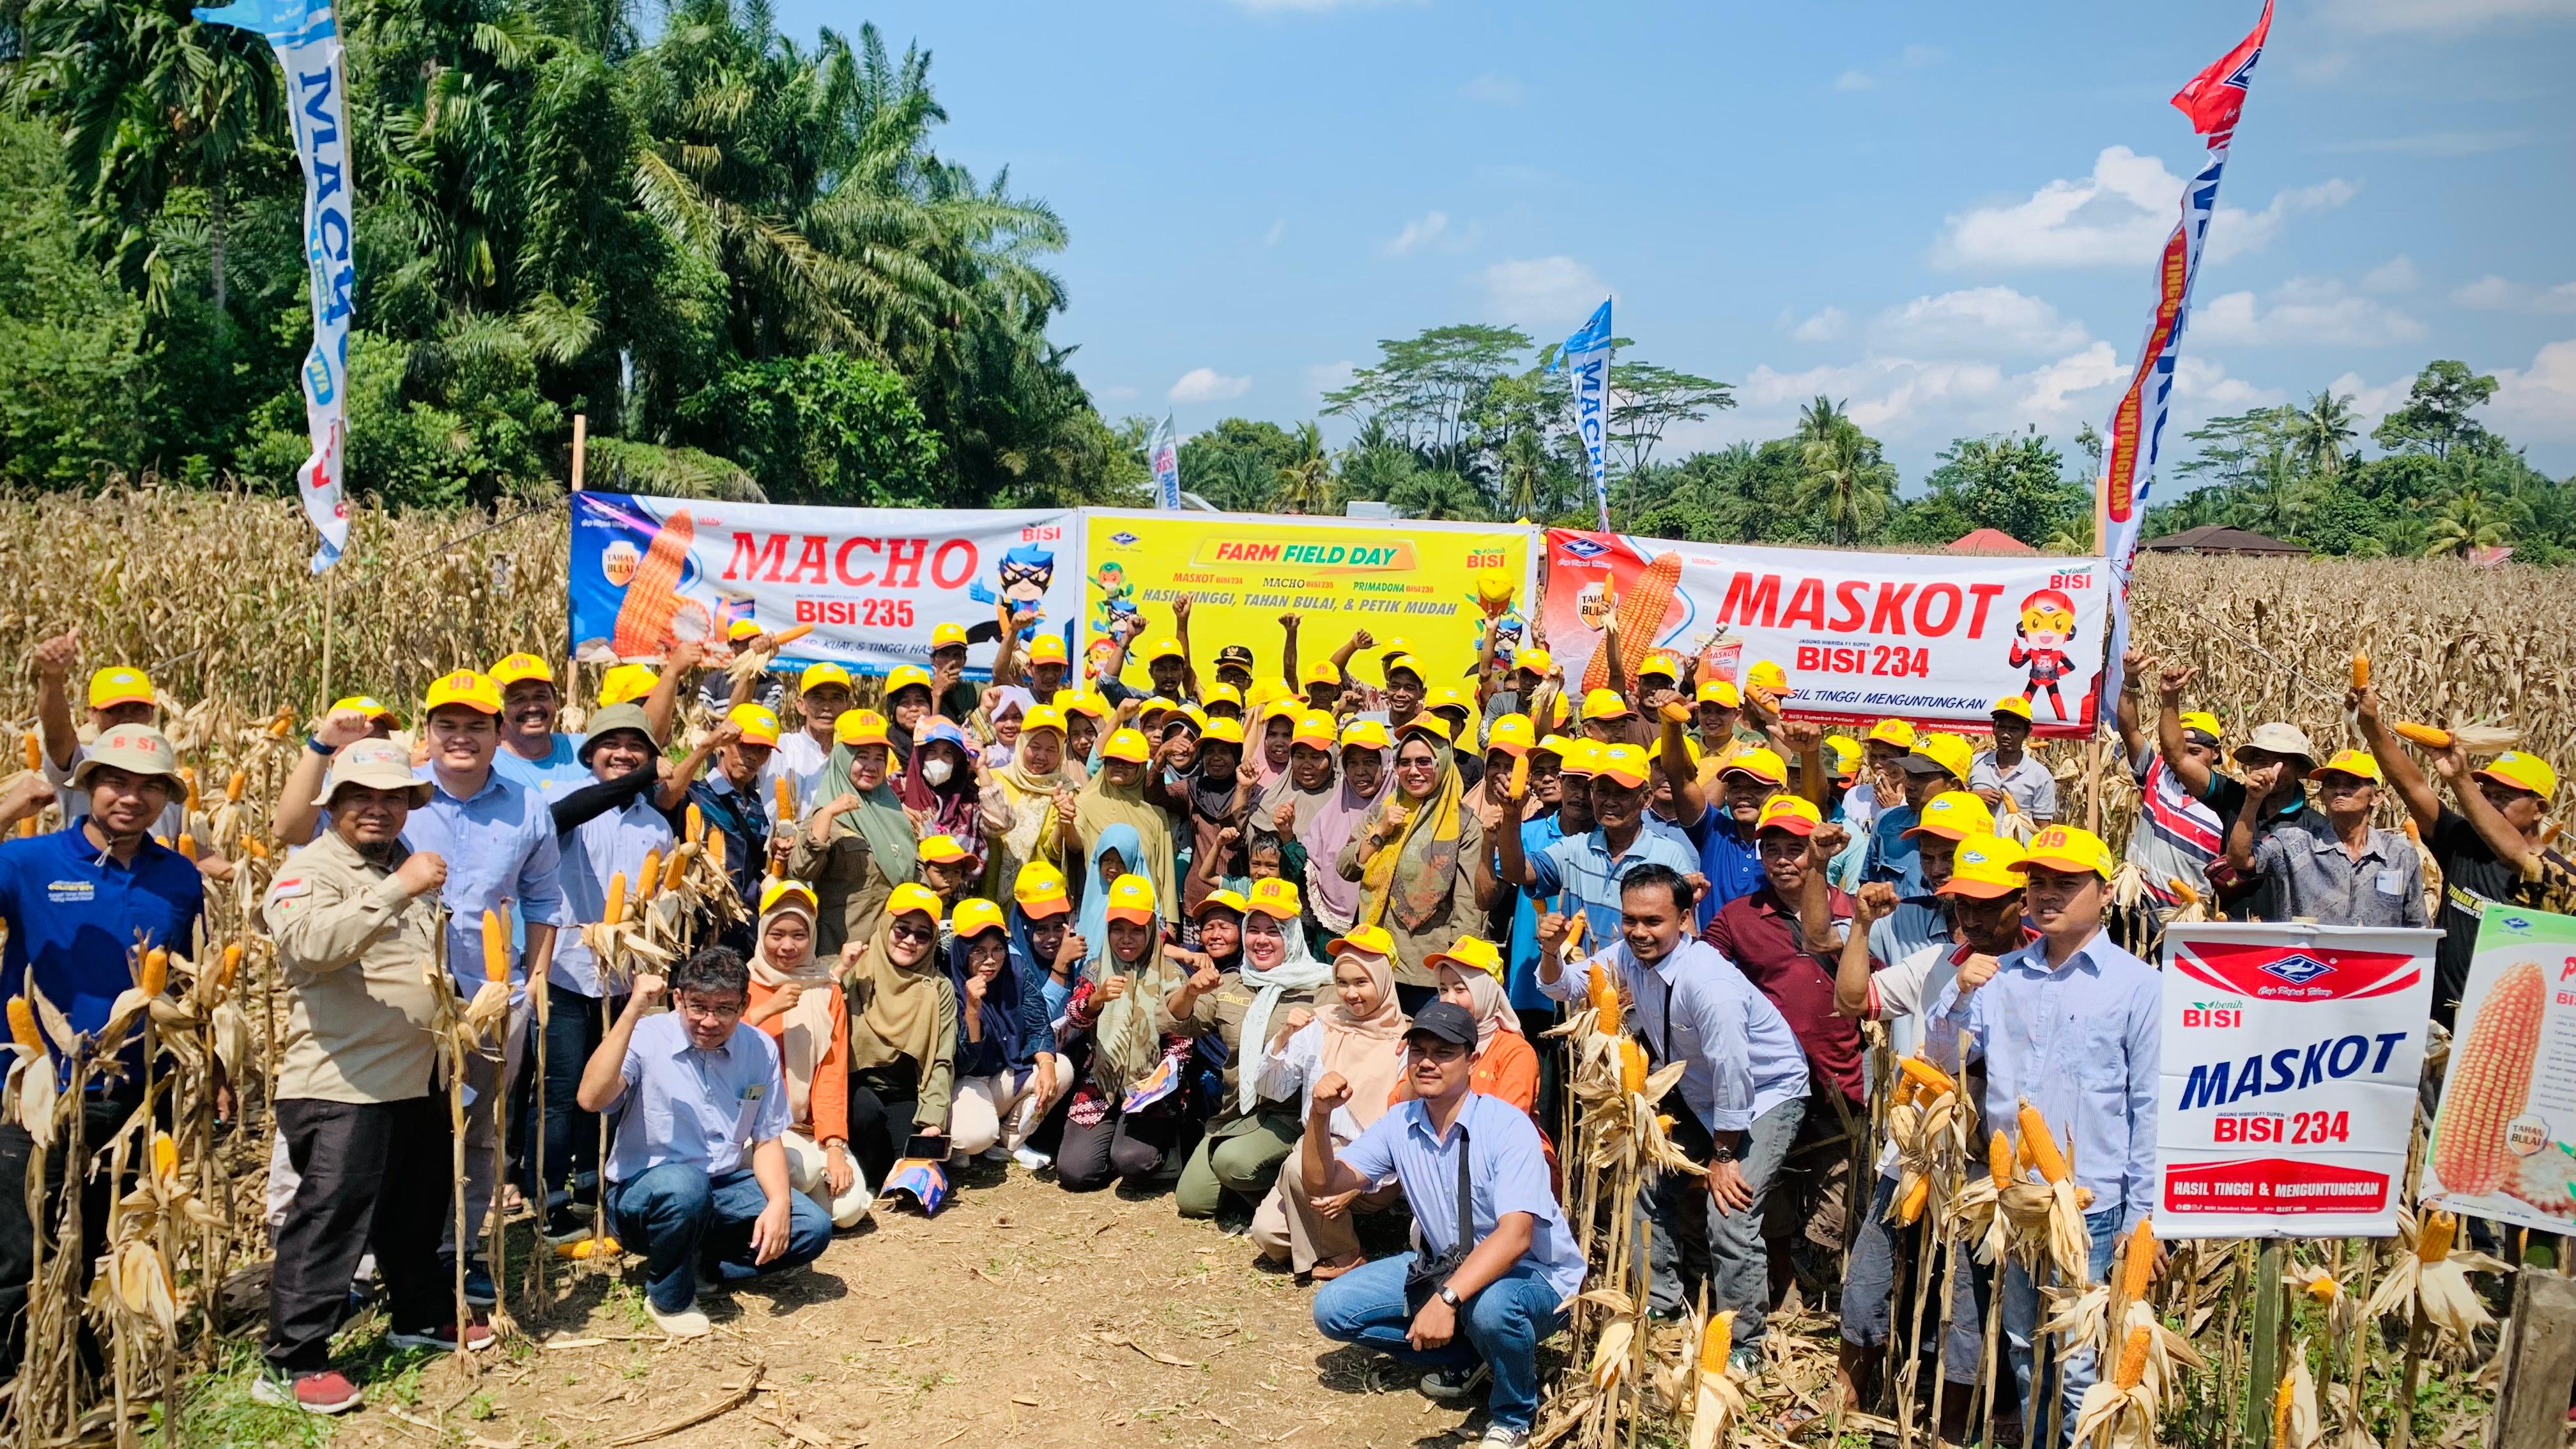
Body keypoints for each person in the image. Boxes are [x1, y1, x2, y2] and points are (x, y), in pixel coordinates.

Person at [259, 740, 479, 1413]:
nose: (378, 810)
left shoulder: (397, 864)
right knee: (330, 1220)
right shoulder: (311, 870)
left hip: (417, 1076)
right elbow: (309, 946)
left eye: (392, 797)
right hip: (341, 1082)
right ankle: (291, 1362)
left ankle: (417, 1314)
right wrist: (398, 888)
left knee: (413, 1213)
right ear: (335, 806)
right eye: (362, 797)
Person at [1926, 825, 2158, 1443]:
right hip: (2019, 1202)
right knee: (2025, 1350)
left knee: (2082, 1365)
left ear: (2105, 892)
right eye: (2037, 883)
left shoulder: (2139, 985)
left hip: (2094, 1206)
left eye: (2066, 883)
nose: (2047, 895)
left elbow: (2149, 1105)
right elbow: (1942, 1062)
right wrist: (1956, 994)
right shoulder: (2000, 978)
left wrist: (2144, 1218)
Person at [0, 723, 204, 1378]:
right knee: (17, 1252)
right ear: (88, 786)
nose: (131, 797)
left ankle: (82, 1373)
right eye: (117, 781)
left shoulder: (178, 877)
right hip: (33, 1089)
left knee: (98, 1241)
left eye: (150, 787)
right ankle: (15, 1384)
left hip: (138, 1097)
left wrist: (208, 1066)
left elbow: (188, 983)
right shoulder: (27, 863)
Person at [1303, 1000, 1586, 1449]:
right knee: (1334, 1309)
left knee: (1492, 1308)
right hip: (1448, 1264)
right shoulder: (1401, 1123)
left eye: (1444, 1052)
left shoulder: (1508, 1127)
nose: (1428, 1062)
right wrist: (1318, 1117)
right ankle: (1472, 1355)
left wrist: (1447, 1300)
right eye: (1419, 1051)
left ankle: (1514, 1415)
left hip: (1537, 1276)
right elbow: (1326, 1179)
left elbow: (1516, 1236)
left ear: (1471, 1061)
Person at [1830, 834, 2030, 1414]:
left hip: (1984, 1165)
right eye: (1963, 905)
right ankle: (1846, 1395)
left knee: (1967, 1288)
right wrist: (1862, 928)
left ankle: (1953, 1414)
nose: (1974, 918)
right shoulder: (1939, 963)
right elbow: (1852, 1000)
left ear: (2021, 900)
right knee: (1871, 1268)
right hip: (1917, 1150)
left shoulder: (2039, 970)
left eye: (1989, 905)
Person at [406, 670, 565, 1305]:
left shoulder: (527, 806)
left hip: (495, 1000)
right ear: (429, 733)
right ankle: (384, 1259)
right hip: (411, 1000)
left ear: (498, 735)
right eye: (448, 726)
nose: (462, 739)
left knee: (477, 1132)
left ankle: (459, 1250)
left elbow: (545, 896)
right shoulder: (400, 796)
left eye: (476, 726)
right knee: (404, 1129)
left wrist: (535, 979)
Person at [578, 946, 832, 1340]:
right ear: (677, 999)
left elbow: (766, 1140)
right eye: (698, 1007)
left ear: (744, 1004)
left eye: (726, 1009)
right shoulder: (647, 1035)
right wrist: (631, 1012)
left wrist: (780, 1204)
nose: (710, 1021)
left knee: (811, 1227)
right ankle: (669, 1297)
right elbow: (591, 1099)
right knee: (685, 1185)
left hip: (723, 1187)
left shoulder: (759, 1048)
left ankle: (700, 1261)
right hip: (644, 1194)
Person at [530, 703, 714, 1243]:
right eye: (611, 745)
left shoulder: (655, 826)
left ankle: (593, 1186)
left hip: (623, 977)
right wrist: (641, 776)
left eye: (636, 747)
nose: (624, 754)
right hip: (566, 970)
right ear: (590, 754)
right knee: (559, 1093)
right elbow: (569, 816)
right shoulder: (561, 802)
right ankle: (549, 1199)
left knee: (608, 1088)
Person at [1704, 795, 1861, 1312]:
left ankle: (1831, 1290)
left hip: (1841, 1076)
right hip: (1772, 1082)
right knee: (1770, 1191)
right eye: (1772, 849)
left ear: (1818, 853)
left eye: (1794, 849)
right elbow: (1703, 972)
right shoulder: (1738, 917)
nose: (1782, 860)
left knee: (1835, 1194)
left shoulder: (1852, 910)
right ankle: (1784, 1283)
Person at [2354, 684, 2571, 1024]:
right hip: (2438, 1024)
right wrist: (2371, 725)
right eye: (2488, 793)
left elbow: (2517, 856)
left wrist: (2461, 779)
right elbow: (2413, 788)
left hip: (2501, 1035)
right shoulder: (2464, 843)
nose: (2489, 802)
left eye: (2504, 797)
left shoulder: (2557, 879)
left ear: (2539, 808)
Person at [1252, 924, 1412, 1278]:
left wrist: (1354, 1190)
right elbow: (1272, 1088)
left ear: (1385, 980)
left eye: (1362, 982)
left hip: (1371, 1165)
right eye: (1343, 982)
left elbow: (1405, 1130)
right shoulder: (1320, 1024)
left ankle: (1345, 1253)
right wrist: (1282, 1037)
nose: (1351, 994)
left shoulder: (1406, 1042)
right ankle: (1331, 1230)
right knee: (1268, 1235)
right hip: (1315, 1148)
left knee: (1299, 1170)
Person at [1177, 878, 1333, 1220]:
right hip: (1237, 1114)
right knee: (1193, 1201)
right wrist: (1189, 992)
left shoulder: (1323, 987)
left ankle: (1290, 1200)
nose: (1261, 940)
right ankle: (1256, 1182)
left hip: (1290, 1117)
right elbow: (1178, 1021)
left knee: (1233, 1164)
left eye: (1274, 931)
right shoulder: (1234, 981)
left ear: (1292, 935)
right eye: (1255, 929)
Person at [1056, 873, 1219, 1191]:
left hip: (1151, 1093)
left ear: (1151, 930)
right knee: (1075, 1174)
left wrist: (1155, 1083)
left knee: (1133, 1162)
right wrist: (1096, 1000)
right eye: (1117, 929)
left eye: (1136, 930)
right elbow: (1073, 1020)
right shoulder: (1095, 969)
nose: (1126, 939)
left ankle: (1155, 1145)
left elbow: (1181, 1044)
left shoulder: (1172, 975)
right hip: (1100, 1085)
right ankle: (1109, 1142)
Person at [1338, 717, 1493, 1013]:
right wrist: (1380, 832)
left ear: (1444, 764)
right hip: (1377, 962)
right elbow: (1346, 866)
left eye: (1424, 762)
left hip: (1430, 973)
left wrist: (1457, 972)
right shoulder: (1384, 813)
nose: (1413, 771)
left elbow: (1467, 907)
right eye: (1404, 762)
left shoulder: (1464, 825)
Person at [2152, 663, 2328, 921]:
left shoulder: (2315, 827)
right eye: (2259, 759)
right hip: (2231, 933)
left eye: (2279, 760)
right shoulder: (2233, 797)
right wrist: (2170, 697)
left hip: (2286, 940)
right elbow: (2177, 758)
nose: (2267, 767)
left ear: (2299, 768)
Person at [740, 880, 869, 1230]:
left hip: (803, 1127)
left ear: (812, 936)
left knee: (849, 1209)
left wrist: (834, 1147)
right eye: (776, 934)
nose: (787, 946)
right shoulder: (740, 985)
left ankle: (788, 1203)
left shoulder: (824, 991)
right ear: (762, 932)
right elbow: (718, 1048)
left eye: (799, 935)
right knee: (803, 1171)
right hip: (749, 1128)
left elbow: (831, 1073)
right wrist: (764, 1011)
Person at [1496, 742, 1697, 965]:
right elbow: (1517, 872)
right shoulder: (1576, 849)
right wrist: (1511, 817)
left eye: (1622, 792)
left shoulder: (1669, 856)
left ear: (1647, 799)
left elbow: (1687, 940)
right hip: (1578, 992)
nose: (1610, 801)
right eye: (1602, 791)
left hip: (1644, 993)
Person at [841, 883, 960, 1196]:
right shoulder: (856, 970)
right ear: (885, 925)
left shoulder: (939, 988)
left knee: (914, 1165)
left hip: (904, 1093)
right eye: (902, 929)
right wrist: (838, 973)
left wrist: (933, 1120)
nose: (910, 941)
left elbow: (940, 1060)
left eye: (923, 935)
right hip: (855, 1087)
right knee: (865, 1112)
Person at [2224, 748, 2426, 928]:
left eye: (2352, 784)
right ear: (2322, 795)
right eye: (2332, 784)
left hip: (2378, 968)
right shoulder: (2294, 843)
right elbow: (2240, 860)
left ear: (2377, 797)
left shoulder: (2399, 853)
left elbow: (2416, 925)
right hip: (2309, 966)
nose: (2340, 790)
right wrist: (2253, 801)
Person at [2110, 652, 2227, 940]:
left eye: (2196, 751)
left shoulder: (2228, 801)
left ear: (2216, 753)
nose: (2185, 759)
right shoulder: (2158, 773)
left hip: (2186, 921)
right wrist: (2131, 680)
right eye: (2180, 748)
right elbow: (2130, 730)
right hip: (2134, 908)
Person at [946, 897, 1066, 1166]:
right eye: (978, 951)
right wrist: (973, 1011)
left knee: (1061, 1068)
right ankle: (971, 1138)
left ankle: (1006, 1139)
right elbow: (963, 1062)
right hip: (967, 1081)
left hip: (1006, 1072)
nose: (991, 960)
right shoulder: (948, 985)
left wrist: (1046, 1065)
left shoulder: (1016, 970)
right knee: (973, 1137)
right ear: (962, 951)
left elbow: (1038, 1023)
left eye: (998, 949)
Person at [793, 709, 912, 956]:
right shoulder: (827, 815)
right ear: (842, 758)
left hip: (894, 955)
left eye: (880, 758)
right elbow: (801, 869)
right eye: (862, 756)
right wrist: (827, 815)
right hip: (843, 954)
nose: (872, 766)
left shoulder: (894, 813)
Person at [1003, 862, 1084, 1169]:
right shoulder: (1010, 959)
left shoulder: (1073, 950)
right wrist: (1061, 968)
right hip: (1020, 1065)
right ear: (1023, 924)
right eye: (1041, 929)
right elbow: (1038, 1023)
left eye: (1057, 926)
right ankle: (1009, 1136)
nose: (1052, 938)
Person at [689, 702, 787, 934]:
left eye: (763, 750)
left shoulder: (756, 805)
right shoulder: (695, 796)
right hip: (706, 922)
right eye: (745, 746)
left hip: (746, 924)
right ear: (724, 746)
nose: (753, 757)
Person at [1073, 728, 1179, 931]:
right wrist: (1065, 822)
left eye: (1128, 762)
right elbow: (1074, 846)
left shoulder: (1155, 814)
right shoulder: (1084, 804)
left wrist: (1171, 925)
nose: (1119, 766)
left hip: (1144, 917)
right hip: (1099, 916)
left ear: (1142, 767)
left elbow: (1165, 875)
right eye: (1113, 760)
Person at [1427, 937, 1537, 1118]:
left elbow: (1510, 1122)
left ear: (1485, 992)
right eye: (1443, 990)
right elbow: (1397, 1103)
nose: (1449, 1000)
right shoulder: (1431, 1042)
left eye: (1460, 989)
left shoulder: (1516, 1052)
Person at [1301, 719, 1390, 945]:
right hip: (1331, 933)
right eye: (1352, 764)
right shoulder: (1328, 815)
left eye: (1370, 762)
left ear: (1386, 762)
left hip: (1388, 932)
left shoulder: (1401, 808)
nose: (1360, 772)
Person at [983, 703, 1079, 899]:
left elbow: (1055, 851)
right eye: (1035, 747)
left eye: (1051, 749)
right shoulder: (993, 780)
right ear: (1021, 743)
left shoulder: (1067, 791)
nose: (1042, 756)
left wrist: (1064, 821)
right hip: (989, 891)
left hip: (1039, 897)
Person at [1865, 732, 1973, 894]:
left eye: (1921, 778)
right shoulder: (1887, 822)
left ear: (1953, 785)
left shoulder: (1976, 828)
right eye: (1908, 775)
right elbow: (1867, 886)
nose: (1909, 785)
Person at [487, 654, 591, 801]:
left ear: (555, 701)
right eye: (519, 699)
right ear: (499, 709)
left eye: (540, 696)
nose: (532, 707)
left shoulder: (583, 749)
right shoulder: (486, 765)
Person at [775, 664, 857, 808]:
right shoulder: (780, 747)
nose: (827, 707)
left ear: (849, 705)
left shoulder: (856, 756)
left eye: (836, 698)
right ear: (801, 706)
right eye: (818, 698)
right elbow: (736, 728)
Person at [1970, 695, 2057, 827]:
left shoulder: (2041, 776)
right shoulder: (1974, 764)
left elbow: (2043, 825)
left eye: (2014, 729)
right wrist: (1972, 797)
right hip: (1978, 846)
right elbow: (1952, 801)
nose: (2006, 734)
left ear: (2027, 732)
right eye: (2002, 728)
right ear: (1993, 729)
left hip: (2019, 847)